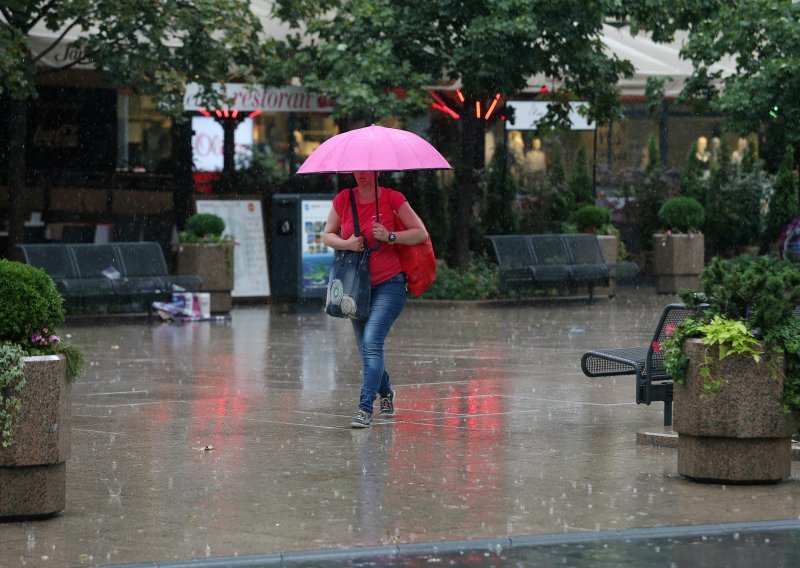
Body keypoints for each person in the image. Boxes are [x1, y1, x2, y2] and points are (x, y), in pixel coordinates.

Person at [321, 171, 429, 428]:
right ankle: (387, 392)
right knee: (366, 350)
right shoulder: (343, 200)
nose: (361, 175)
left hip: (389, 285)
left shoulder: (393, 199)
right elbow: (327, 235)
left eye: (366, 170)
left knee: (371, 342)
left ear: (377, 171)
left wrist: (391, 236)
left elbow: (420, 233)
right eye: (356, 170)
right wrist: (347, 243)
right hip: (356, 288)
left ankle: (364, 408)